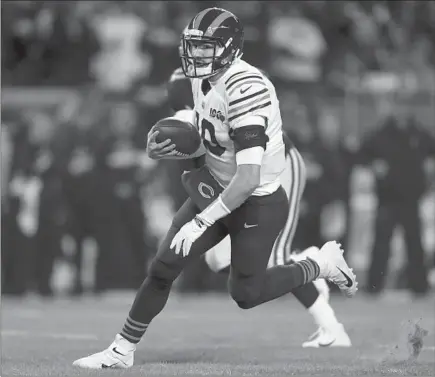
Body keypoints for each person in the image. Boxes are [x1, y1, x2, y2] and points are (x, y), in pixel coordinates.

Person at [73, 8, 357, 369]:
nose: (196, 56)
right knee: (163, 266)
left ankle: (319, 265)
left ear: (228, 48)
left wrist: (201, 222)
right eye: (193, 47)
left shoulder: (247, 89)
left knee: (246, 294)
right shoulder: (200, 80)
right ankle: (121, 350)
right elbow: (209, 143)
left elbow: (249, 178)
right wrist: (159, 149)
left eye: (205, 48)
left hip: (258, 200)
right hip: (218, 187)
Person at [165, 67, 351, 347]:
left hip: (277, 170)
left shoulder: (228, 95)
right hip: (244, 183)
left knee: (275, 259)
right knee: (217, 260)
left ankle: (332, 327)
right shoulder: (198, 112)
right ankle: (306, 263)